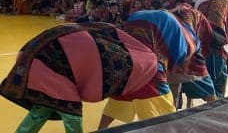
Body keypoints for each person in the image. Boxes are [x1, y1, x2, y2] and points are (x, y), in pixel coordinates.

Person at [0, 22, 158, 133]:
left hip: (39, 54)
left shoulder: (108, 33)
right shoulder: (133, 52)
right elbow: (71, 112)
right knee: (68, 113)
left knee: (44, 106)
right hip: (48, 60)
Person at [99, 4, 217, 128]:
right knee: (166, 109)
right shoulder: (191, 33)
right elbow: (197, 54)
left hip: (133, 37)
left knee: (123, 89)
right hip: (155, 46)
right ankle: (217, 115)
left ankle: (99, 130)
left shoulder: (173, 18)